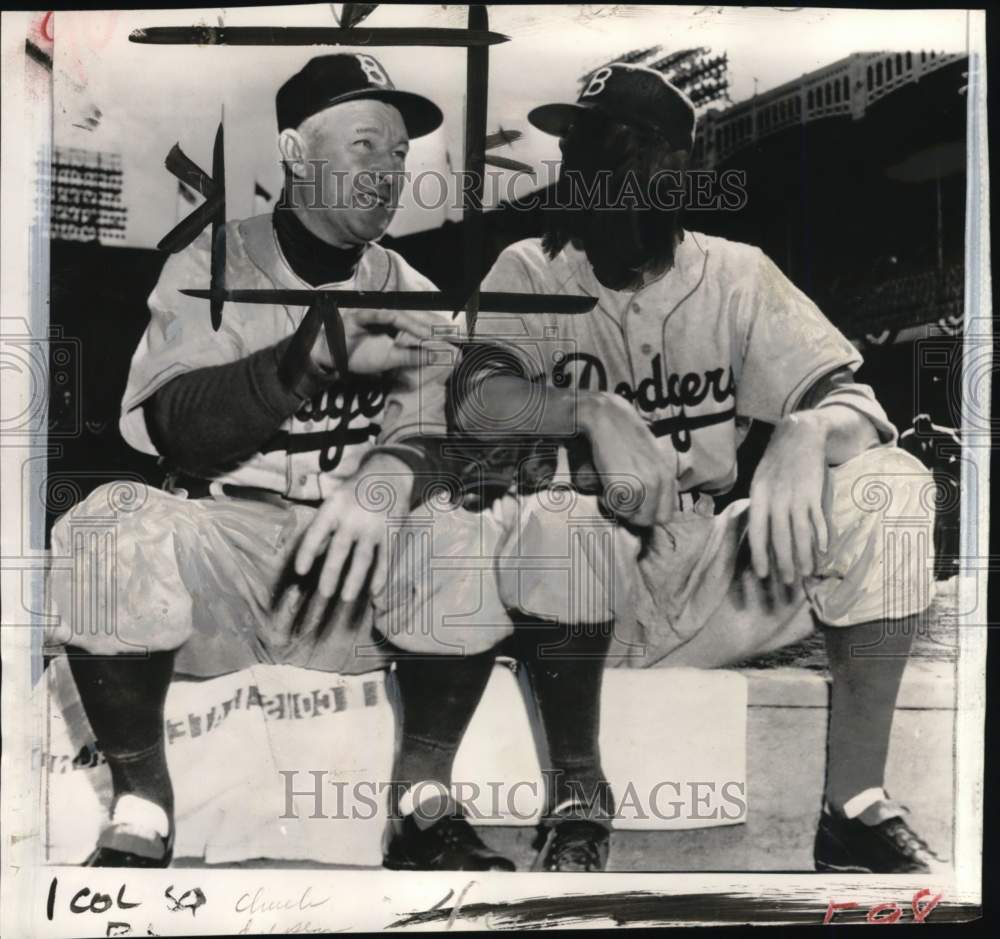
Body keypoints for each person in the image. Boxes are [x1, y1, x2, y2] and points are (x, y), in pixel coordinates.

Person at [377, 63, 946, 874]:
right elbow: (475, 397)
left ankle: (853, 808)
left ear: (676, 168)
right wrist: (587, 411)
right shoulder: (531, 270)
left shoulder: (737, 273)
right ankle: (568, 790)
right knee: (556, 518)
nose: (589, 168)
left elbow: (852, 395)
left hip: (706, 573)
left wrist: (807, 429)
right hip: (563, 594)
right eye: (578, 148)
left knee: (891, 481)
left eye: (620, 147)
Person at [45, 53, 460, 867]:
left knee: (466, 527)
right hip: (223, 565)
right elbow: (179, 431)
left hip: (350, 589)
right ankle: (141, 804)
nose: (388, 173)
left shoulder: (415, 289)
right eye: (366, 145)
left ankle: (423, 802)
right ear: (296, 152)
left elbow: (444, 437)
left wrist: (399, 471)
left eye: (399, 156)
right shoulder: (210, 266)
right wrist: (308, 355)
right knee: (103, 522)